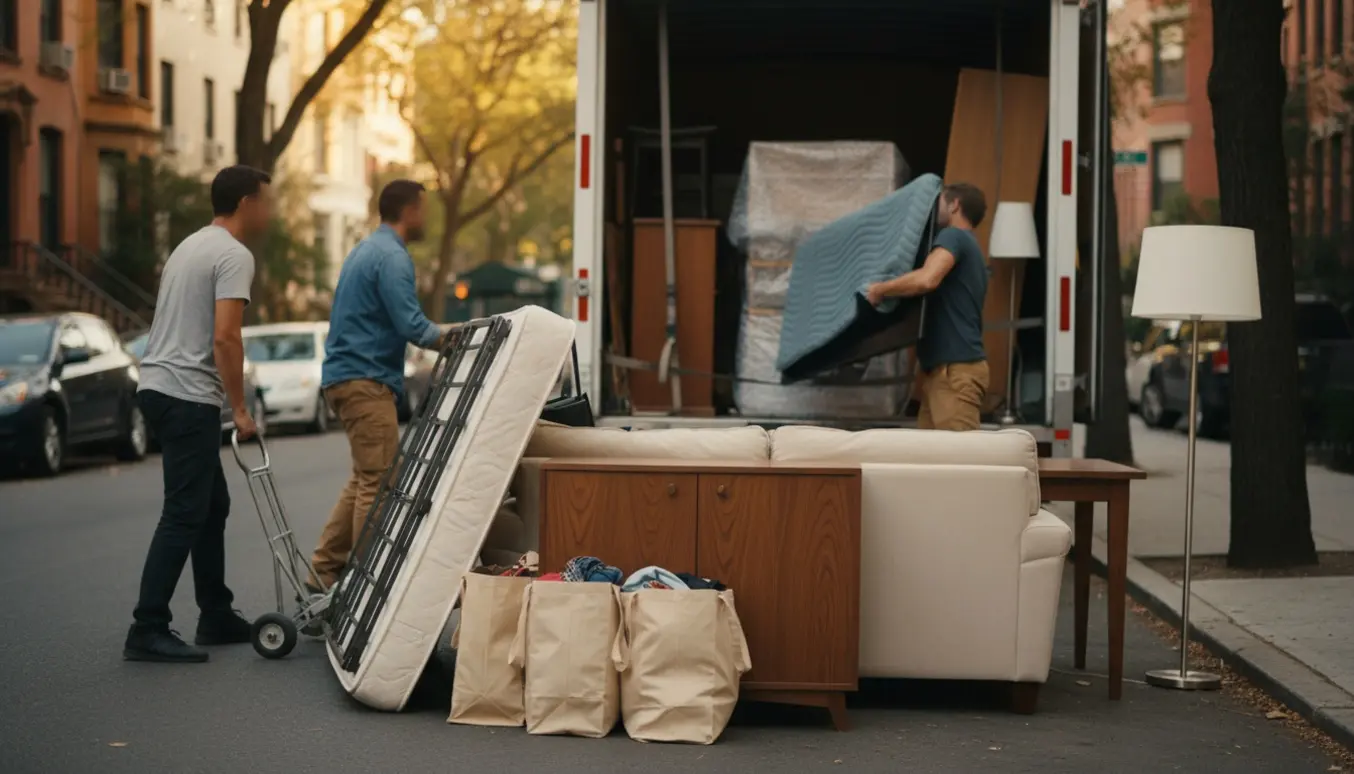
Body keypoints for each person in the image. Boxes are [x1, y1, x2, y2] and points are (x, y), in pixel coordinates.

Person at [124, 165, 271, 663]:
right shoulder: (233, 255)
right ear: (247, 203)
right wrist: (240, 409)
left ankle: (215, 614)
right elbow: (226, 337)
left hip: (159, 386)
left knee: (211, 504)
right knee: (185, 510)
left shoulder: (189, 246)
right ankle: (147, 627)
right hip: (187, 394)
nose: (270, 212)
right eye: (266, 202)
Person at [307, 179, 453, 591]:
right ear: (409, 211)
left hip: (346, 377)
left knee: (365, 477)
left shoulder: (366, 249)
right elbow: (412, 325)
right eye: (423, 210)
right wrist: (452, 340)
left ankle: (323, 571)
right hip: (365, 380)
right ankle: (364, 586)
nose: (425, 219)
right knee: (379, 482)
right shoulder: (392, 257)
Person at [866, 182, 989, 431]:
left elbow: (927, 279)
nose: (934, 208)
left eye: (939, 202)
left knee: (957, 455)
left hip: (954, 373)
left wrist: (880, 289)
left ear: (955, 205)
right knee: (931, 454)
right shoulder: (972, 248)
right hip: (943, 374)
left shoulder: (953, 236)